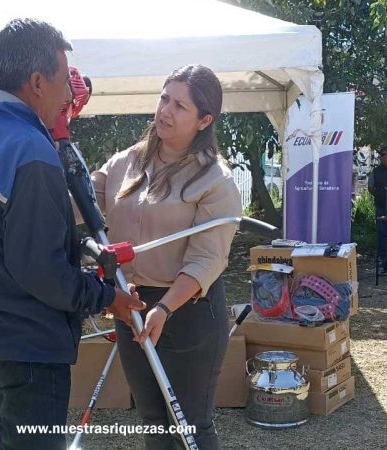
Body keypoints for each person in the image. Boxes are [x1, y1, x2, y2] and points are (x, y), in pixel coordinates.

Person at [0, 19, 144, 450]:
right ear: (36, 82)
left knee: (9, 438)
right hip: (27, 346)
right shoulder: (32, 153)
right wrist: (107, 298)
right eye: (62, 81)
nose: (70, 95)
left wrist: (81, 249)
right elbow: (41, 271)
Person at [90, 64, 242, 449]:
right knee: (154, 420)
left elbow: (207, 259)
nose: (165, 111)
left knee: (189, 424)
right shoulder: (128, 161)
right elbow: (84, 201)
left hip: (188, 311)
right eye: (163, 98)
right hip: (132, 302)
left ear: (204, 119)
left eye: (179, 105)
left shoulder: (217, 181)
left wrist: (165, 309)